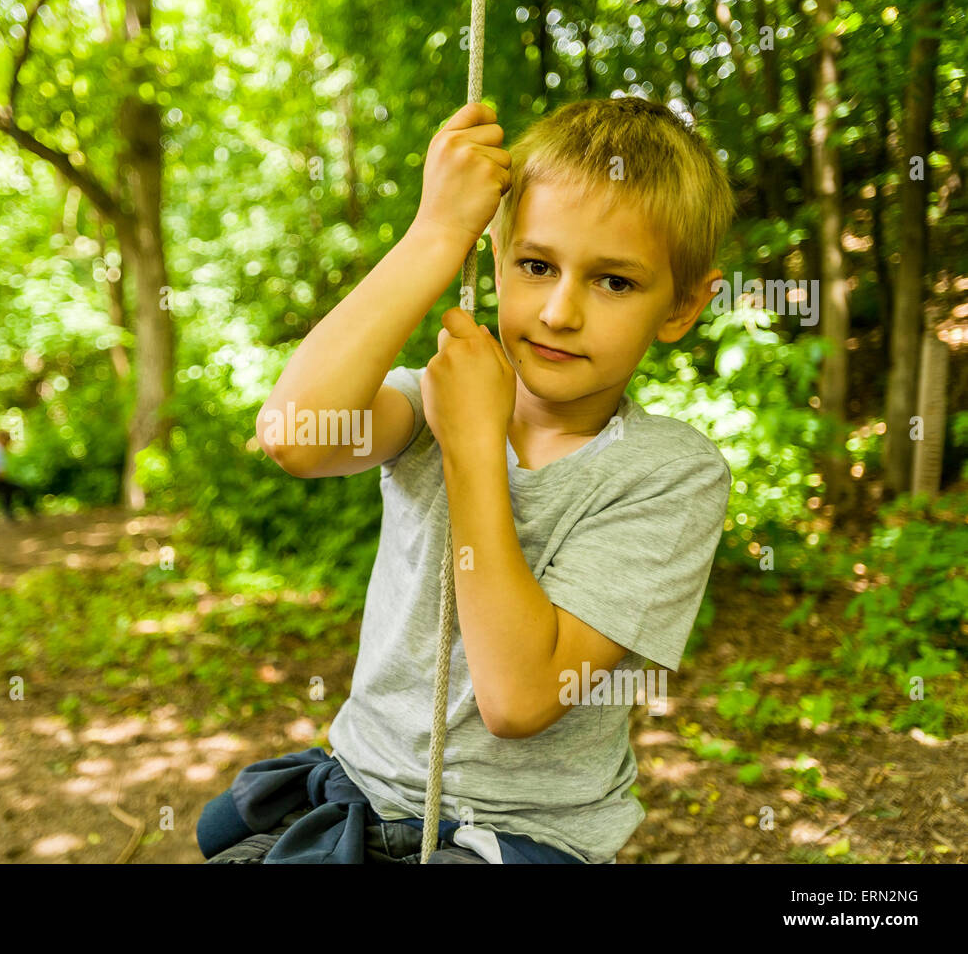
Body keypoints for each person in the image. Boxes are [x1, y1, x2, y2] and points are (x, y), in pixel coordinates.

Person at [201, 97, 734, 864]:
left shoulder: (667, 473)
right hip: (358, 790)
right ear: (497, 259)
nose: (559, 310)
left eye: (614, 281)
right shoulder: (435, 399)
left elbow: (517, 697)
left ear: (682, 304)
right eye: (537, 264)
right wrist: (435, 232)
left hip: (519, 839)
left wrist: (474, 449)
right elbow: (291, 437)